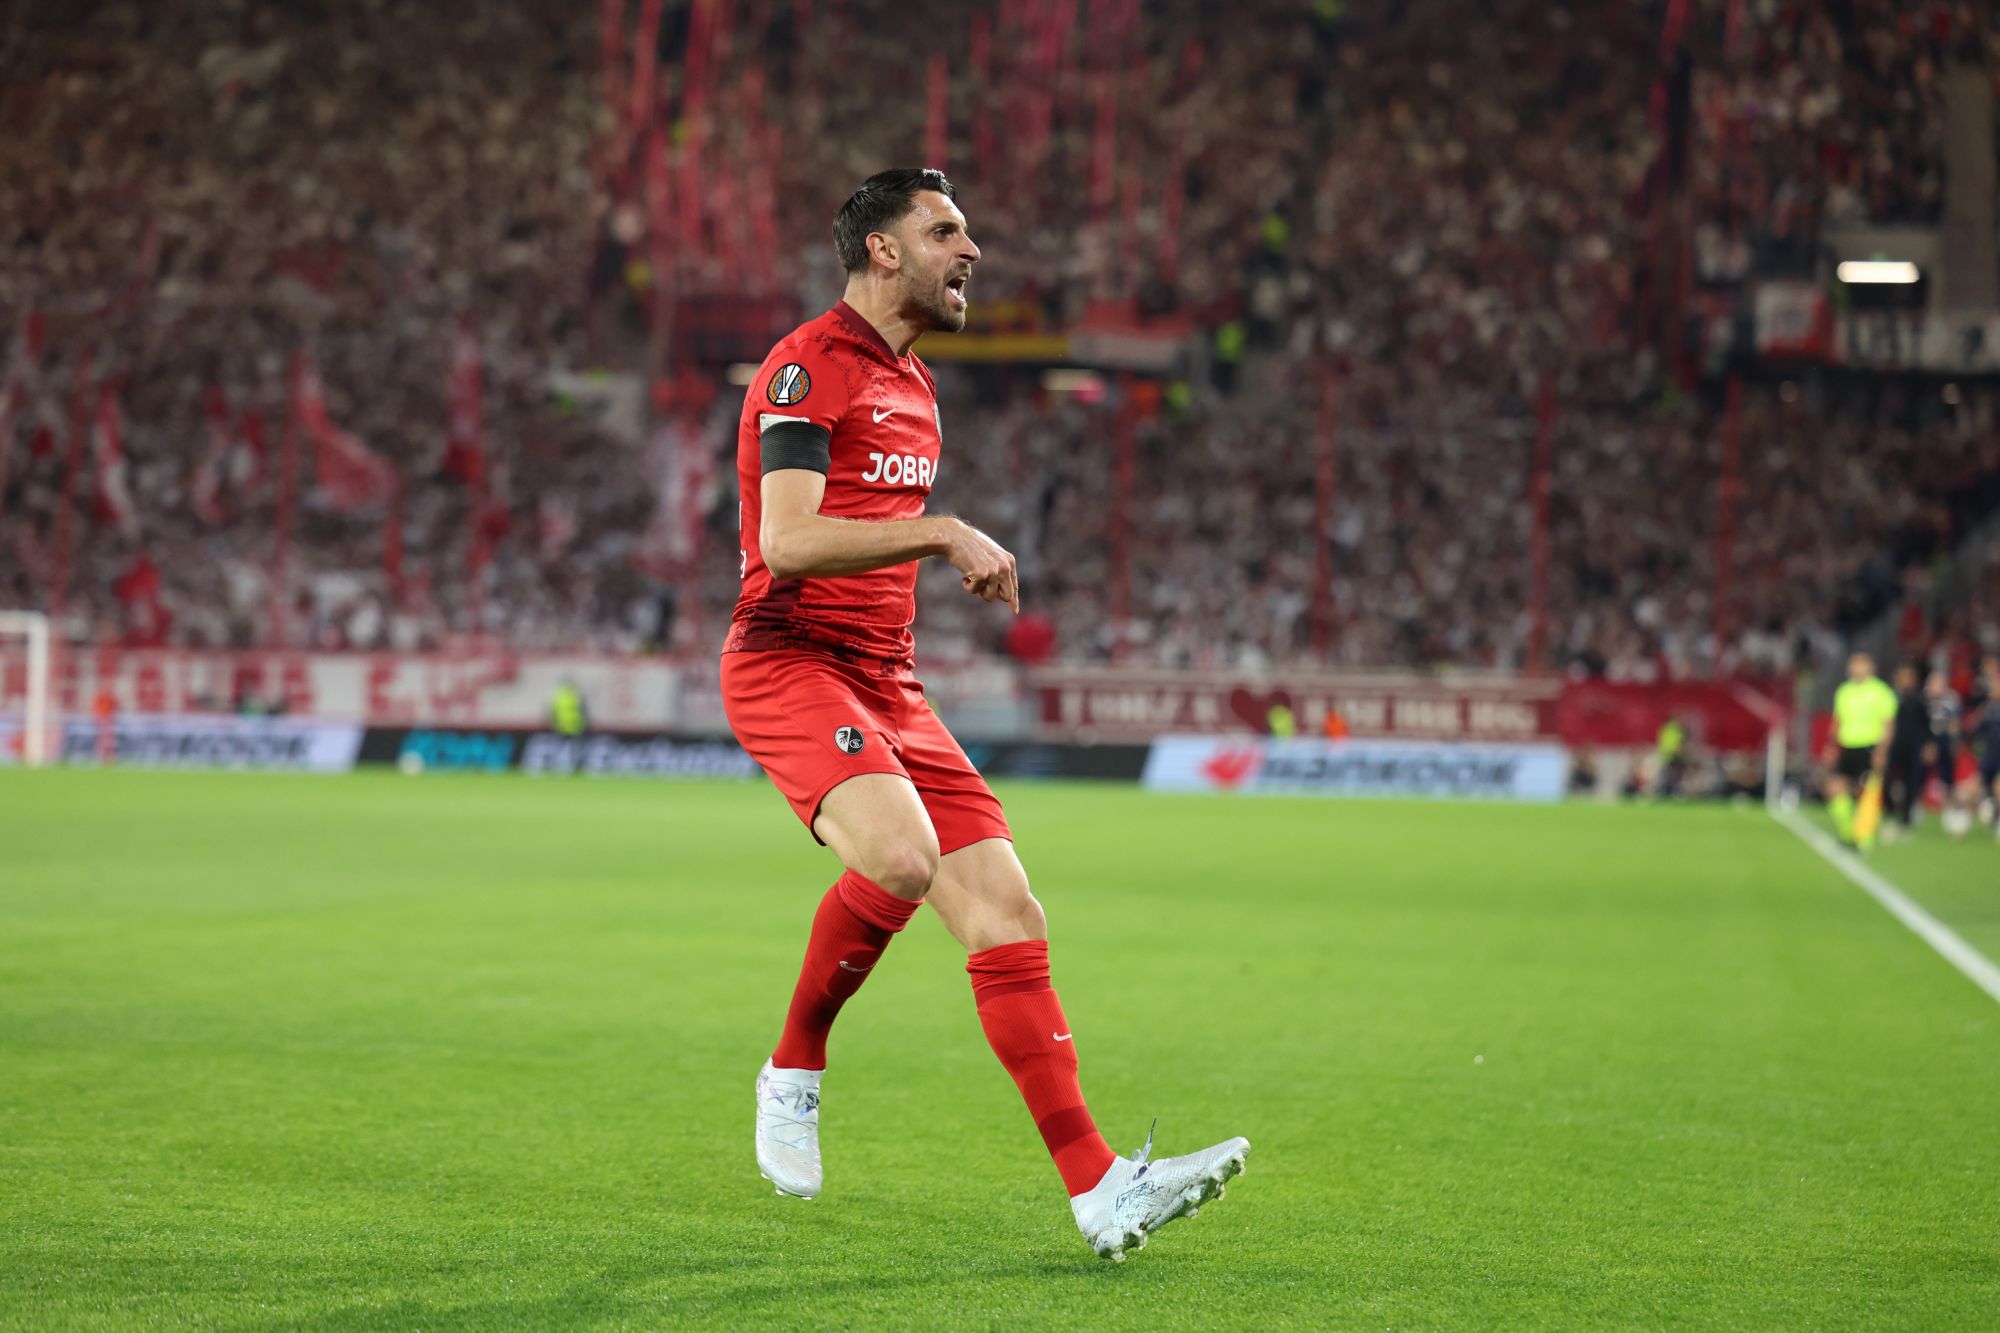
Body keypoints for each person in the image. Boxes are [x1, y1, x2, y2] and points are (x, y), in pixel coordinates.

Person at [721, 169, 1247, 1262]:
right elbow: (788, 542)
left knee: (1010, 914)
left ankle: (1098, 1186)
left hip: (889, 680)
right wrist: (943, 531)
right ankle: (794, 1065)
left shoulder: (917, 388)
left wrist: (933, 546)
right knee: (902, 859)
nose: (971, 251)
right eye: (944, 232)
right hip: (789, 660)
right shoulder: (805, 366)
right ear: (881, 249)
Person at [1823, 652, 1898, 850]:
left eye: (1860, 665)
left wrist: (1882, 751)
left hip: (1869, 746)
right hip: (1847, 746)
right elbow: (1837, 721)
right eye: (1853, 665)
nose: (1856, 669)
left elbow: (1888, 724)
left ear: (1870, 668)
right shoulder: (1844, 691)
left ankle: (1864, 837)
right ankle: (1848, 832)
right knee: (1835, 788)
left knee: (1865, 792)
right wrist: (1831, 746)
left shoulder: (1881, 692)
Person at [1884, 664, 1929, 841]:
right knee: (1887, 780)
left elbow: (1925, 726)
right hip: (1893, 747)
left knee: (1911, 783)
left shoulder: (1919, 700)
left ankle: (1906, 818)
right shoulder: (1890, 697)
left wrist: (1927, 745)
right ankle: (1889, 811)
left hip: (1913, 748)